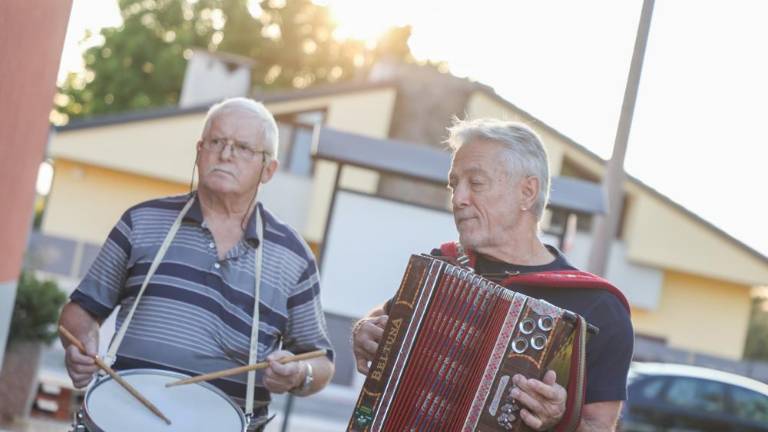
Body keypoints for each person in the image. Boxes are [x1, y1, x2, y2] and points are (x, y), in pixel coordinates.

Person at [59, 97, 334, 430]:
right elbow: (81, 311)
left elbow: (320, 360)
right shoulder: (141, 222)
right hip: (124, 417)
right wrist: (81, 345)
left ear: (268, 170)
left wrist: (300, 373)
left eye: (243, 148)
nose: (226, 154)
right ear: (199, 151)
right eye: (216, 141)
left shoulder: (294, 256)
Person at [351, 119, 633, 431]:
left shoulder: (599, 307)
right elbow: (385, 317)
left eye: (476, 183)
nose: (458, 198)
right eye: (454, 184)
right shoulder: (442, 266)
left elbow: (600, 426)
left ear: (527, 192)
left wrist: (560, 421)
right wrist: (364, 330)